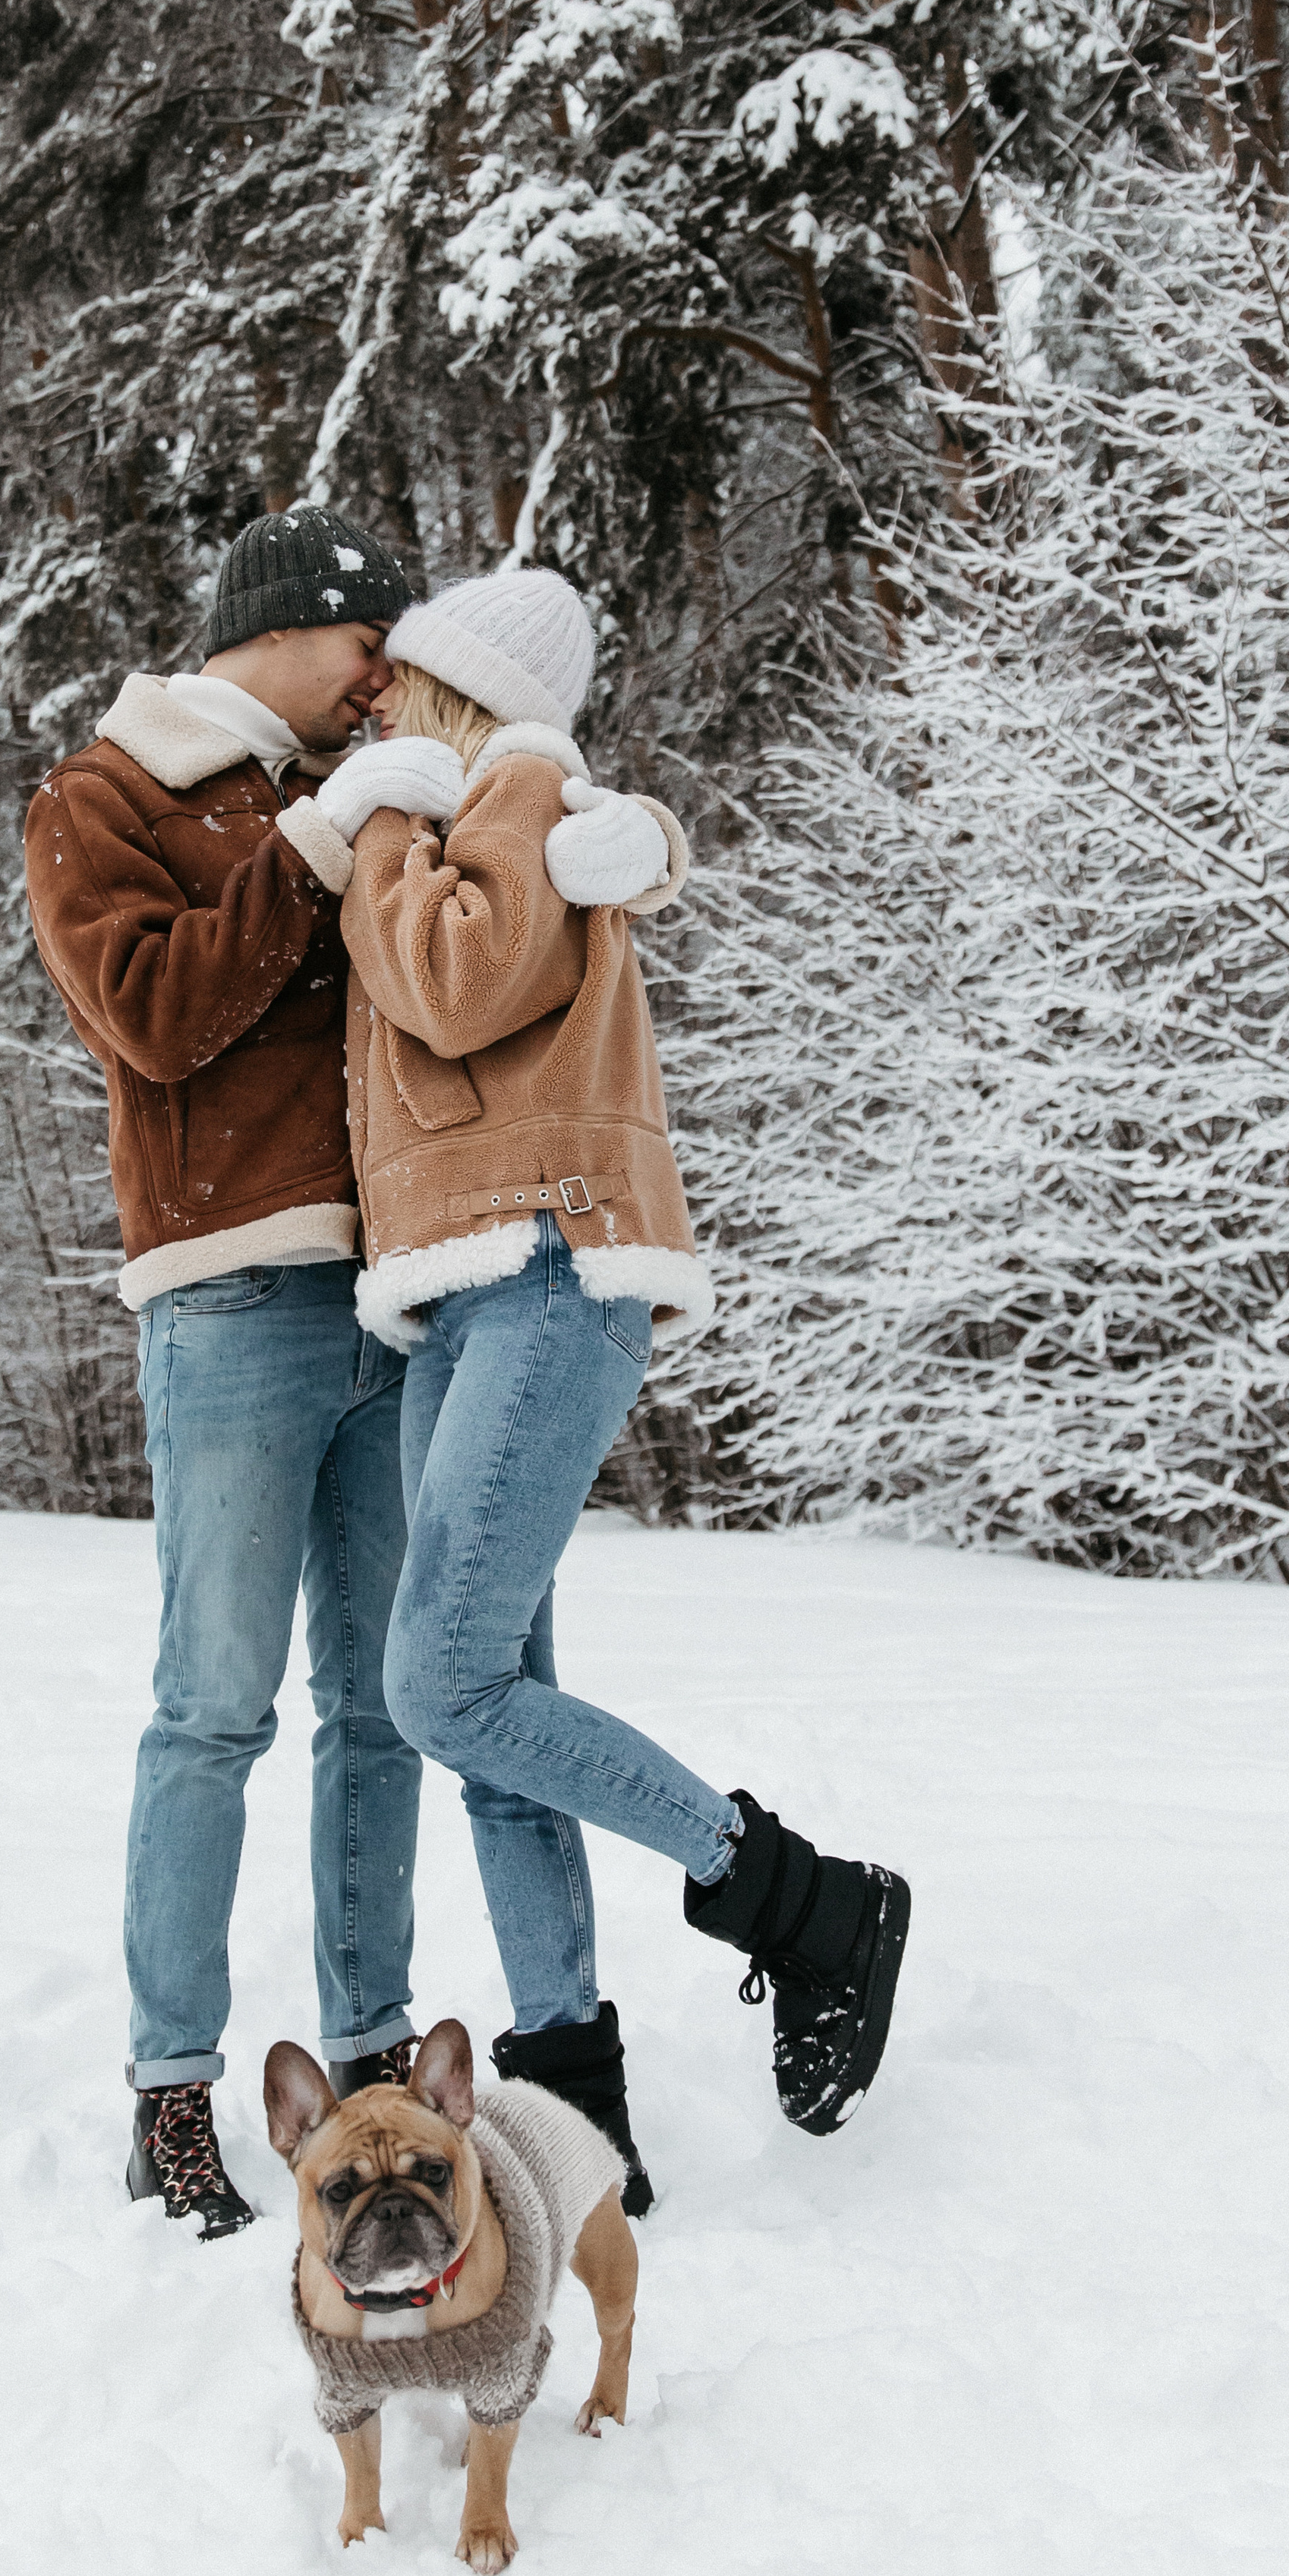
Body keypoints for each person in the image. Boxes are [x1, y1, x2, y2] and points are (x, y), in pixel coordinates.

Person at [23, 510, 679, 2241]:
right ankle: (175, 2085)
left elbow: (514, 902)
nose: (383, 676)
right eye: (367, 641)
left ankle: (372, 2044)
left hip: (397, 1302)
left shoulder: (378, 774)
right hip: (230, 1303)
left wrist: (615, 830)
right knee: (211, 1710)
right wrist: (321, 833)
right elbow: (152, 1013)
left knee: (384, 1705)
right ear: (298, 628)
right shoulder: (104, 797)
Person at [279, 567, 912, 2140]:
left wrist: (369, 822)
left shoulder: (514, 781)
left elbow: (449, 980)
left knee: (433, 1685)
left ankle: (797, 1901)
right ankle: (571, 2096)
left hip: (548, 1268)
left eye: (392, 683)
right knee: (492, 1706)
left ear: (449, 689)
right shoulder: (481, 808)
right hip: (472, 1281)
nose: (369, 712)